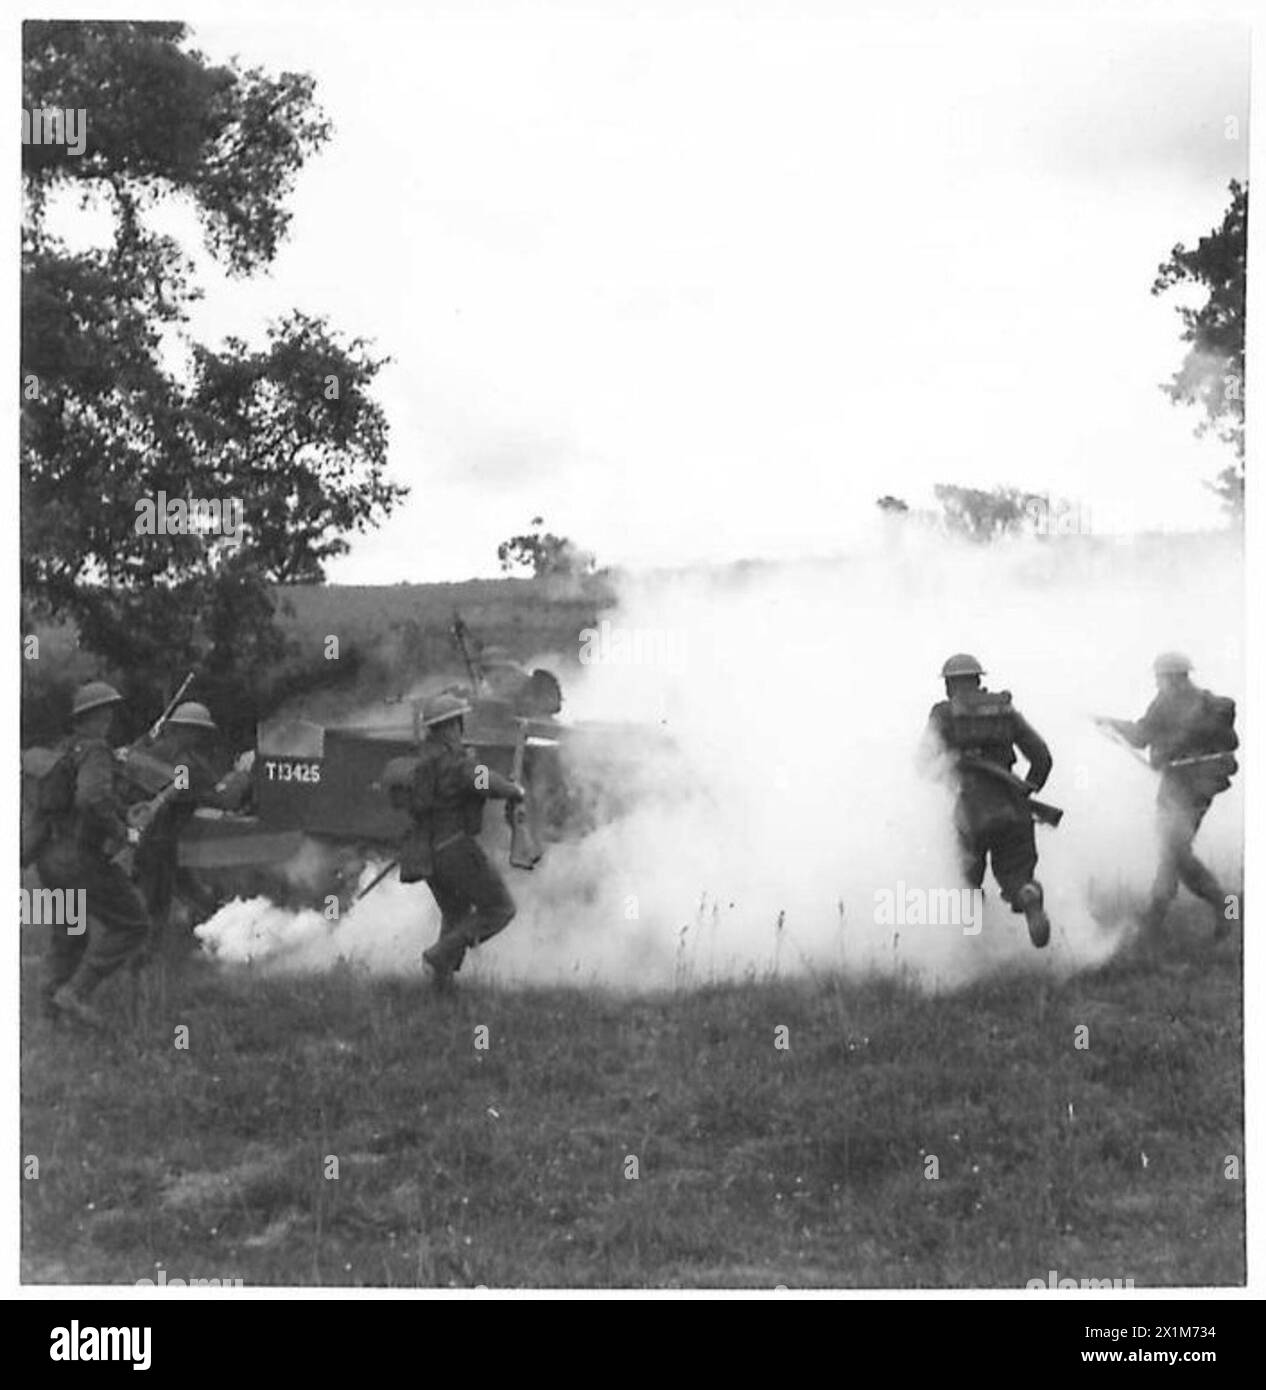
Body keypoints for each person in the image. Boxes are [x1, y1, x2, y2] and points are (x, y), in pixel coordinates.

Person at [1096, 652, 1238, 940]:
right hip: (1202, 786)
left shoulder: (1168, 702)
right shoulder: (1204, 701)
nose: (1157, 682)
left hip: (1182, 787)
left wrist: (1109, 722)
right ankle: (1155, 918)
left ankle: (1228, 907)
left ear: (1169, 677)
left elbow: (1140, 736)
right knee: (1171, 851)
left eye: (1160, 677)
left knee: (1175, 852)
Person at [35, 681, 152, 1028]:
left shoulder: (65, 751)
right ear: (98, 716)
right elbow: (90, 799)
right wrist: (124, 832)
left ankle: (48, 1017)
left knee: (69, 934)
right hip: (80, 859)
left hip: (49, 858)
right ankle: (76, 993)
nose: (112, 718)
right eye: (108, 712)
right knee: (134, 924)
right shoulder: (96, 750)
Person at [918, 653, 1054, 947]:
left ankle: (975, 948)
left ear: (950, 685)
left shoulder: (943, 714)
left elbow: (923, 764)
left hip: (970, 809)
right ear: (978, 680)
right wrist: (1028, 789)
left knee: (966, 881)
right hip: (1013, 805)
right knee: (1017, 874)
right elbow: (1041, 756)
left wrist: (949, 778)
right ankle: (1027, 894)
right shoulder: (1004, 708)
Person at [395, 693, 526, 990]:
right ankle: (438, 957)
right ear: (453, 726)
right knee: (500, 909)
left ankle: (441, 991)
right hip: (455, 849)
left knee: (455, 914)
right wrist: (515, 791)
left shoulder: (424, 761)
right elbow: (485, 781)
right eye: (459, 723)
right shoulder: (455, 764)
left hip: (426, 854)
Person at [132, 701, 252, 942]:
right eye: (198, 731)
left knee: (190, 896)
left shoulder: (152, 752)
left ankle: (205, 933)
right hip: (162, 844)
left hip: (146, 842)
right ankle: (141, 961)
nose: (201, 737)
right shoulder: (190, 764)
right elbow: (223, 799)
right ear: (190, 731)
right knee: (155, 908)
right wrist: (243, 773)